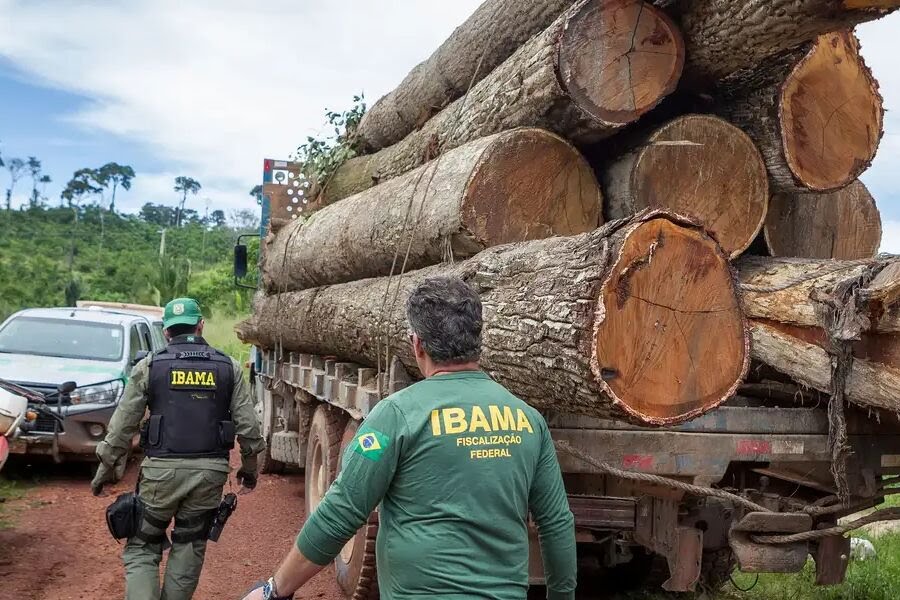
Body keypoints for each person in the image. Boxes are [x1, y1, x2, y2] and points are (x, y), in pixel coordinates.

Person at [242, 277, 576, 600]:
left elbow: (341, 512)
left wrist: (276, 589)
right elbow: (556, 522)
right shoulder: (528, 420)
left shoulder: (396, 416)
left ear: (417, 344)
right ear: (478, 339)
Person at [91, 297, 265, 600]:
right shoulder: (229, 368)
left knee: (143, 545)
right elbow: (249, 430)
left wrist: (104, 471)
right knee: (190, 542)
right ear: (200, 326)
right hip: (210, 475)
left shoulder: (150, 366)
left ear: (167, 332)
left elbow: (122, 428)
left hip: (160, 473)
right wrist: (249, 471)